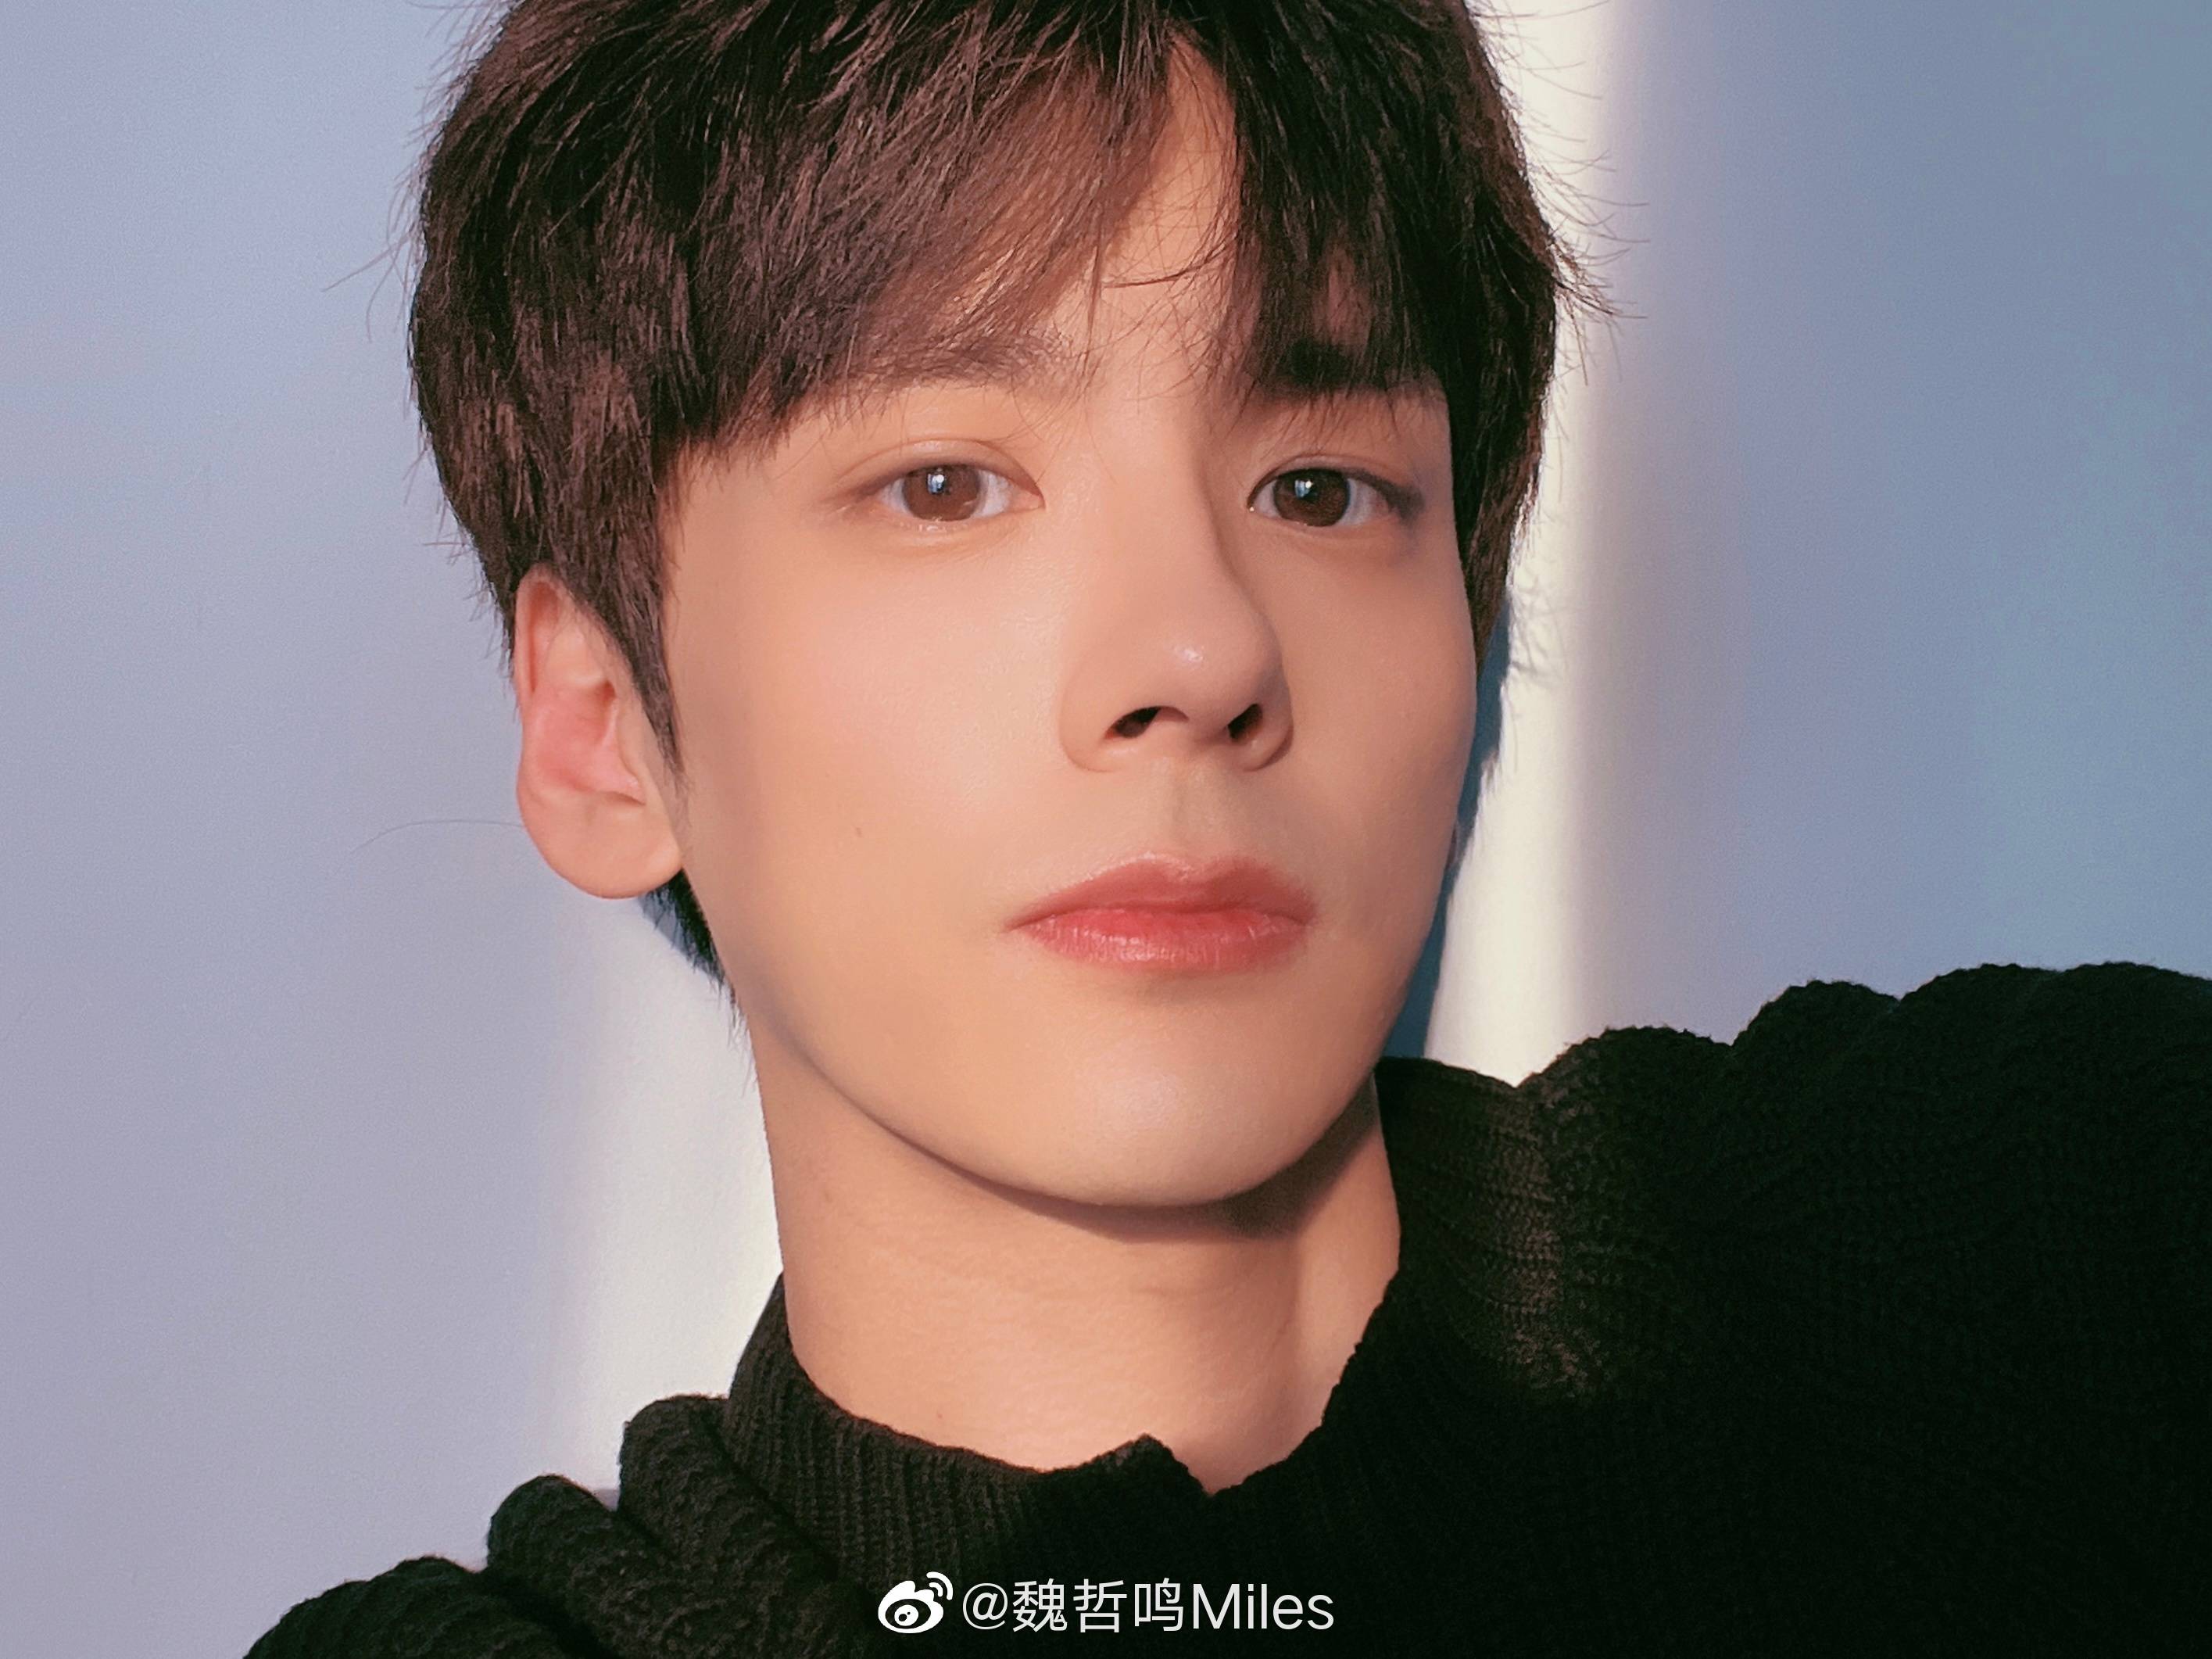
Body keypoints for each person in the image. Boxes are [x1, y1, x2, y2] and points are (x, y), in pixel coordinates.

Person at [248, 1, 2210, 1653]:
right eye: (943, 484)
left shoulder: (2029, 1245)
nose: (1197, 652)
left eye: (1319, 488)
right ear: (603, 731)